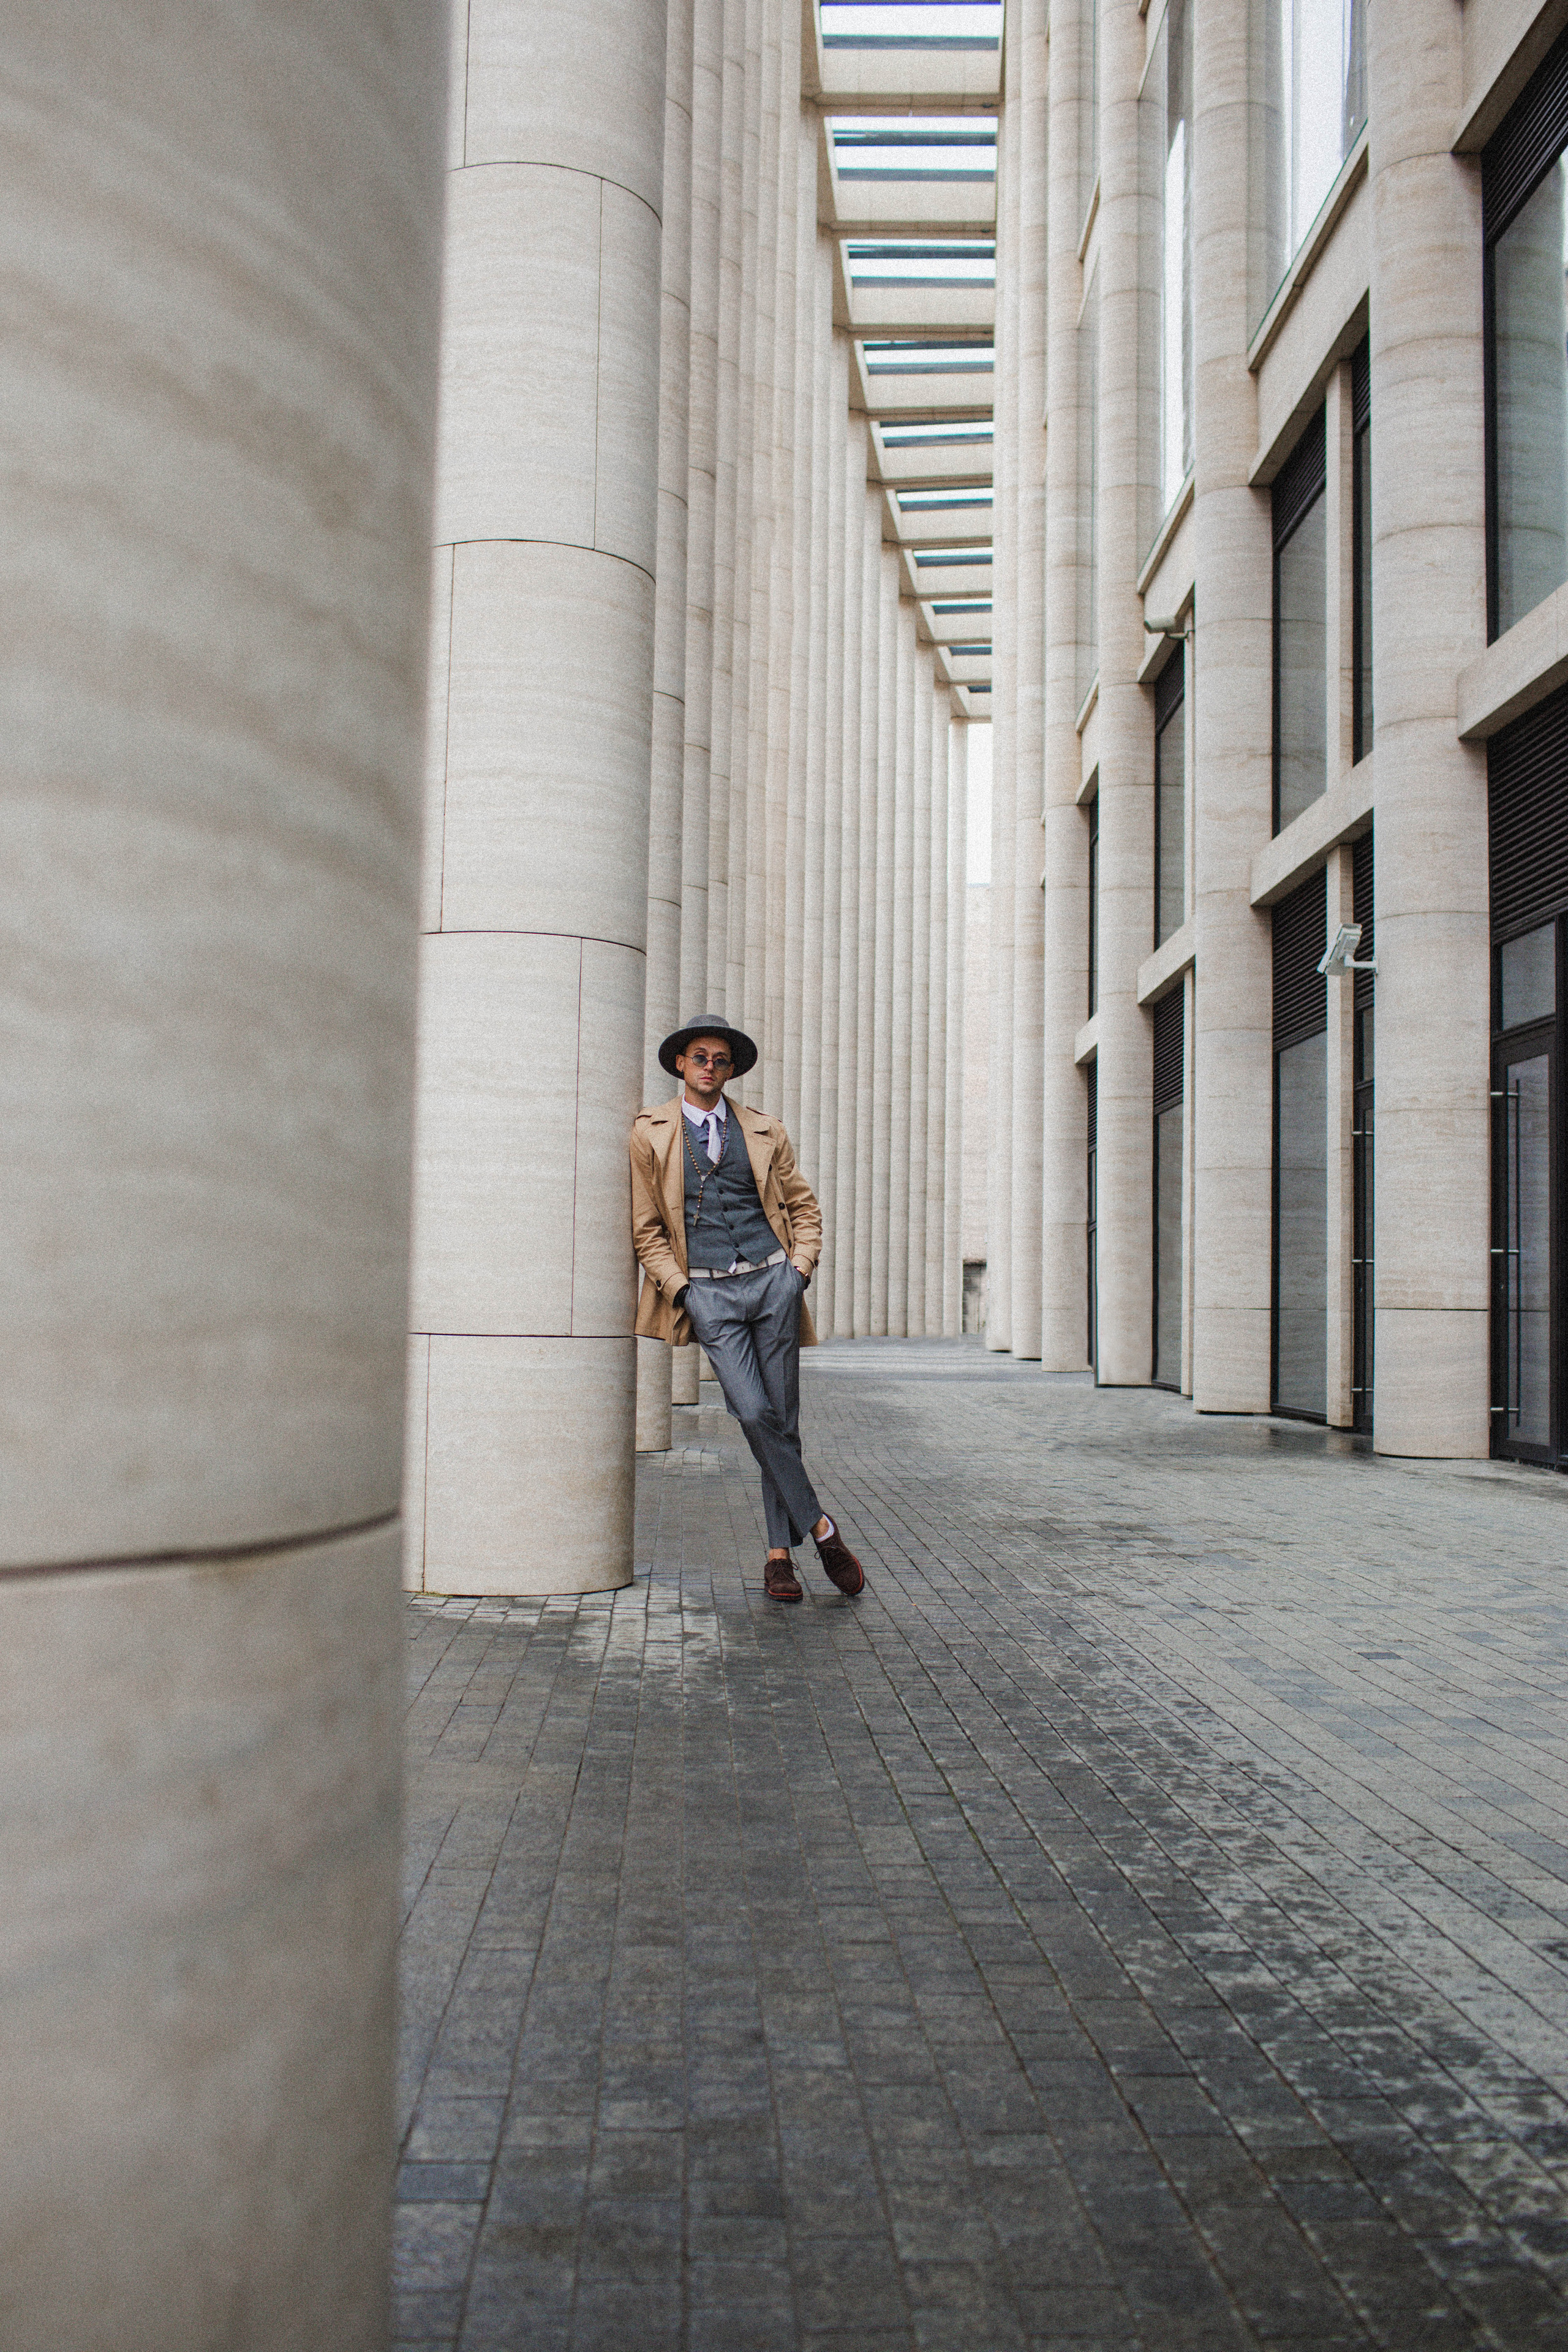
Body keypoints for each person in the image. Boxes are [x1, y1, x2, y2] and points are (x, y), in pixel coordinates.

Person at [629, 1017, 865, 1604]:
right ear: (681, 1064)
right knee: (756, 1413)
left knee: (781, 1421)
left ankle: (779, 1558)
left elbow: (803, 1207)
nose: (711, 1067)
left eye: (721, 1060)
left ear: (731, 1071)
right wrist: (681, 1291)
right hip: (708, 1293)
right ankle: (823, 1528)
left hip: (771, 1283)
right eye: (700, 1057)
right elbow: (647, 1229)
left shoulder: (764, 1130)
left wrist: (800, 1270)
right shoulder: (650, 1133)